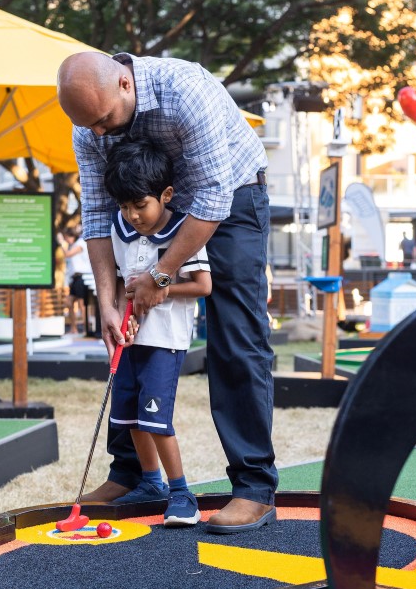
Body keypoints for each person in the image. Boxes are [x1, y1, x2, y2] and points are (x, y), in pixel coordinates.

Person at [57, 50, 277, 533]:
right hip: (143, 208)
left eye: (103, 121)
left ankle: (254, 487)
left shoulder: (185, 89)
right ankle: (135, 475)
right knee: (127, 338)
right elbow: (96, 213)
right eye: (87, 125)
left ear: (123, 85)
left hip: (231, 197)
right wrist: (108, 300)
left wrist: (160, 276)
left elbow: (214, 197)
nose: (97, 134)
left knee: (236, 339)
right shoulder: (88, 122)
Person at [105, 138, 211, 526]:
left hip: (164, 342)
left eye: (140, 205)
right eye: (124, 206)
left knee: (156, 419)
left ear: (165, 195)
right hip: (129, 341)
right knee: (130, 417)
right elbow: (120, 282)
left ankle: (182, 492)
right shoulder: (120, 229)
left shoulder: (184, 231)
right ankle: (151, 483)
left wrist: (161, 289)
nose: (132, 215)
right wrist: (119, 314)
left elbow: (202, 285)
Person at [63, 226, 100, 335]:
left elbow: (67, 254)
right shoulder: (73, 245)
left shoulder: (80, 243)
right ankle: (73, 328)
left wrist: (61, 243)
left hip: (83, 277)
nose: (65, 240)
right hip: (74, 278)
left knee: (81, 303)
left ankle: (85, 328)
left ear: (71, 236)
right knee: (69, 302)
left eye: (66, 238)